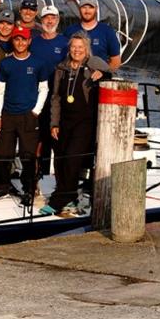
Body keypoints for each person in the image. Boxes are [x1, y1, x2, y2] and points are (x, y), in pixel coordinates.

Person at [42, 33, 111, 217]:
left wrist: (102, 74)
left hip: (84, 121)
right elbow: (55, 97)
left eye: (80, 47)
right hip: (64, 120)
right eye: (73, 47)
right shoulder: (61, 68)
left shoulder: (92, 62)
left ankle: (59, 199)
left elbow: (112, 73)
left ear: (86, 49)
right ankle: (69, 194)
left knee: (73, 158)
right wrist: (53, 123)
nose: (77, 50)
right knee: (60, 158)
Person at [0, 27, 49, 204]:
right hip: (7, 114)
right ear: (13, 41)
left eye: (24, 39)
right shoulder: (6, 64)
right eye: (17, 39)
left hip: (29, 115)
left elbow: (43, 89)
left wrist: (36, 111)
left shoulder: (38, 63)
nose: (20, 43)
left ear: (29, 41)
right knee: (3, 152)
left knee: (27, 154)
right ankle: (1, 187)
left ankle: (29, 189)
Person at [30, 5, 69, 180]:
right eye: (46, 18)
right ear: (41, 20)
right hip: (37, 96)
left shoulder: (64, 42)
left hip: (57, 97)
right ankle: (39, 173)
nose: (49, 21)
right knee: (38, 136)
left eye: (53, 17)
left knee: (56, 136)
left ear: (58, 20)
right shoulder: (34, 41)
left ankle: (59, 176)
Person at [63, 0, 121, 71]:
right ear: (79, 9)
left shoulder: (107, 31)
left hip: (98, 80)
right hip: (75, 78)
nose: (87, 11)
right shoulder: (70, 31)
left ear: (96, 9)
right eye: (84, 7)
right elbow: (64, 57)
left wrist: (103, 74)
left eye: (91, 7)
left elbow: (116, 62)